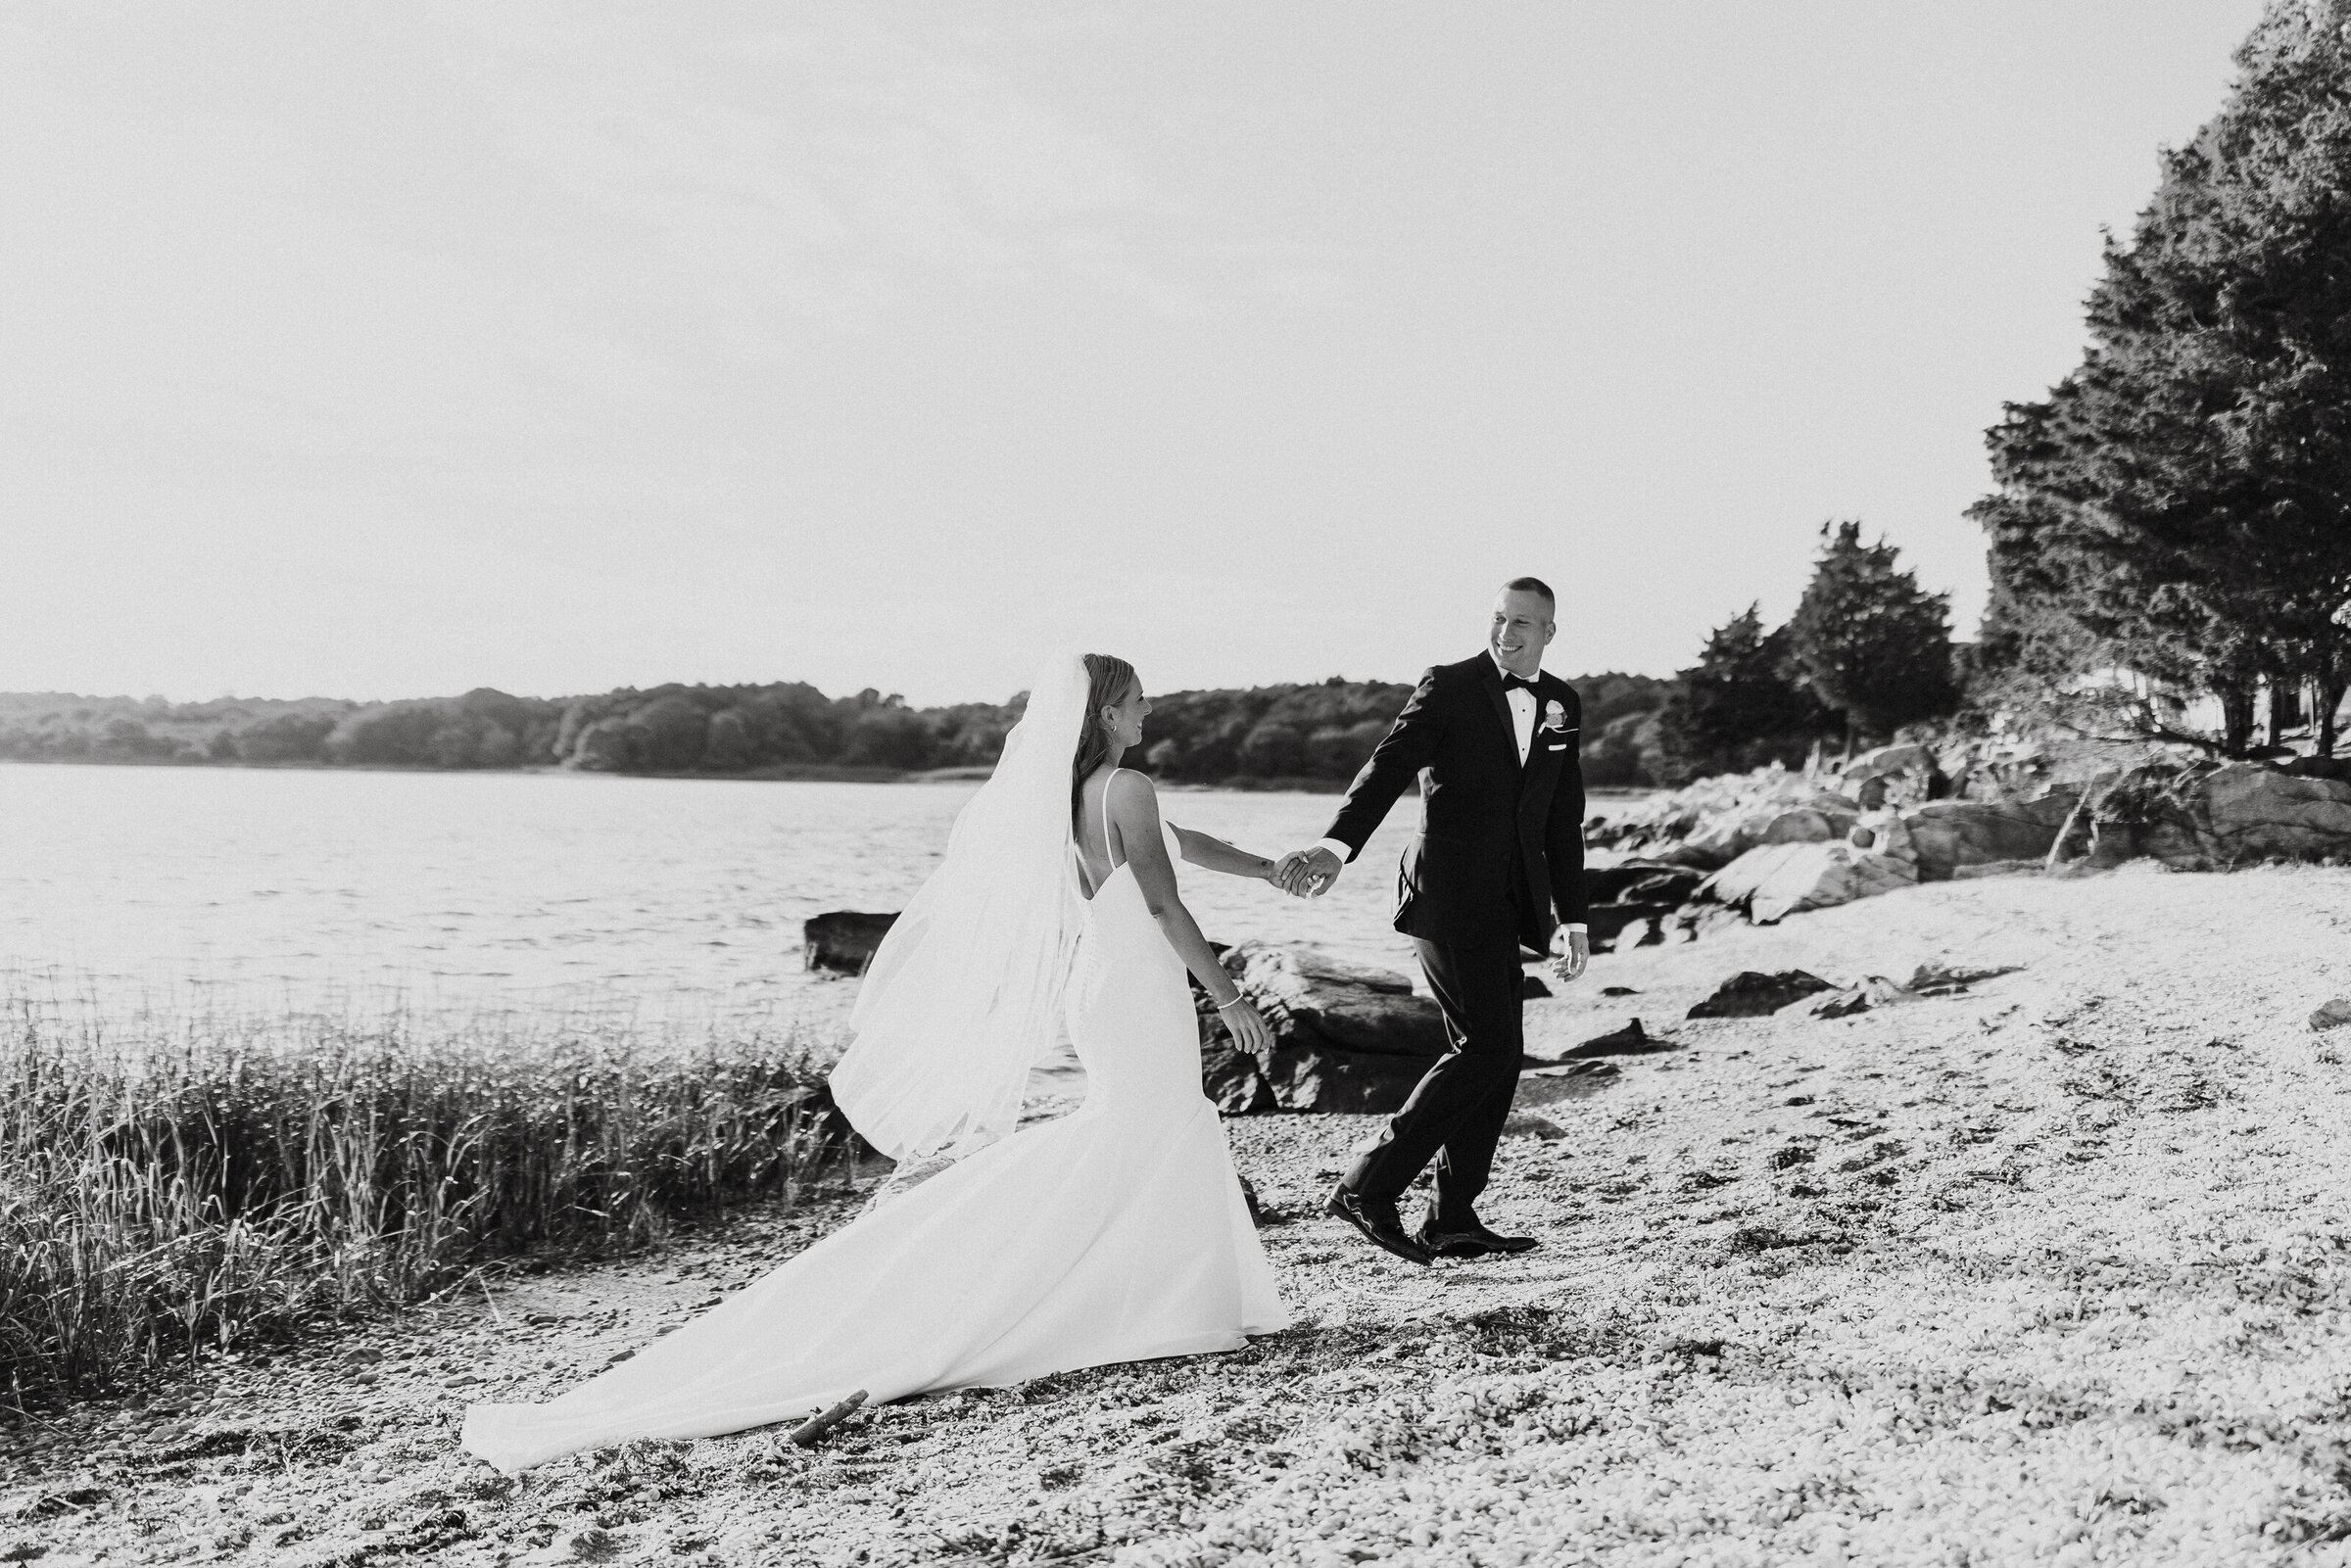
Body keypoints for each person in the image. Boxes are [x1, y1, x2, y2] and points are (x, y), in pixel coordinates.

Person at [460, 652, 1291, 1474]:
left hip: (1105, 986)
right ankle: (1134, 1298)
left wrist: (1269, 869)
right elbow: (1158, 895)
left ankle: (1157, 1295)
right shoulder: (1127, 789)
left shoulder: (1071, 796)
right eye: (1140, 702)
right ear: (1106, 713)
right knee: (1143, 1127)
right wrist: (1227, 995)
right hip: (1138, 985)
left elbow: (1184, 846)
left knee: (1148, 1129)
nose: (1151, 713)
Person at [1274, 577, 1590, 1266]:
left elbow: (1562, 822)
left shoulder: (1563, 704)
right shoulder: (1447, 685)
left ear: (1549, 633)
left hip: (1509, 906)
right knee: (1485, 1044)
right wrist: (1335, 847)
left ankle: (1452, 1216)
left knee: (1500, 1057)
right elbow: (1387, 766)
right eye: (1501, 619)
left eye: (1525, 624)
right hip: (1445, 897)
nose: (1509, 634)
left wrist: (1575, 918)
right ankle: (1367, 1186)